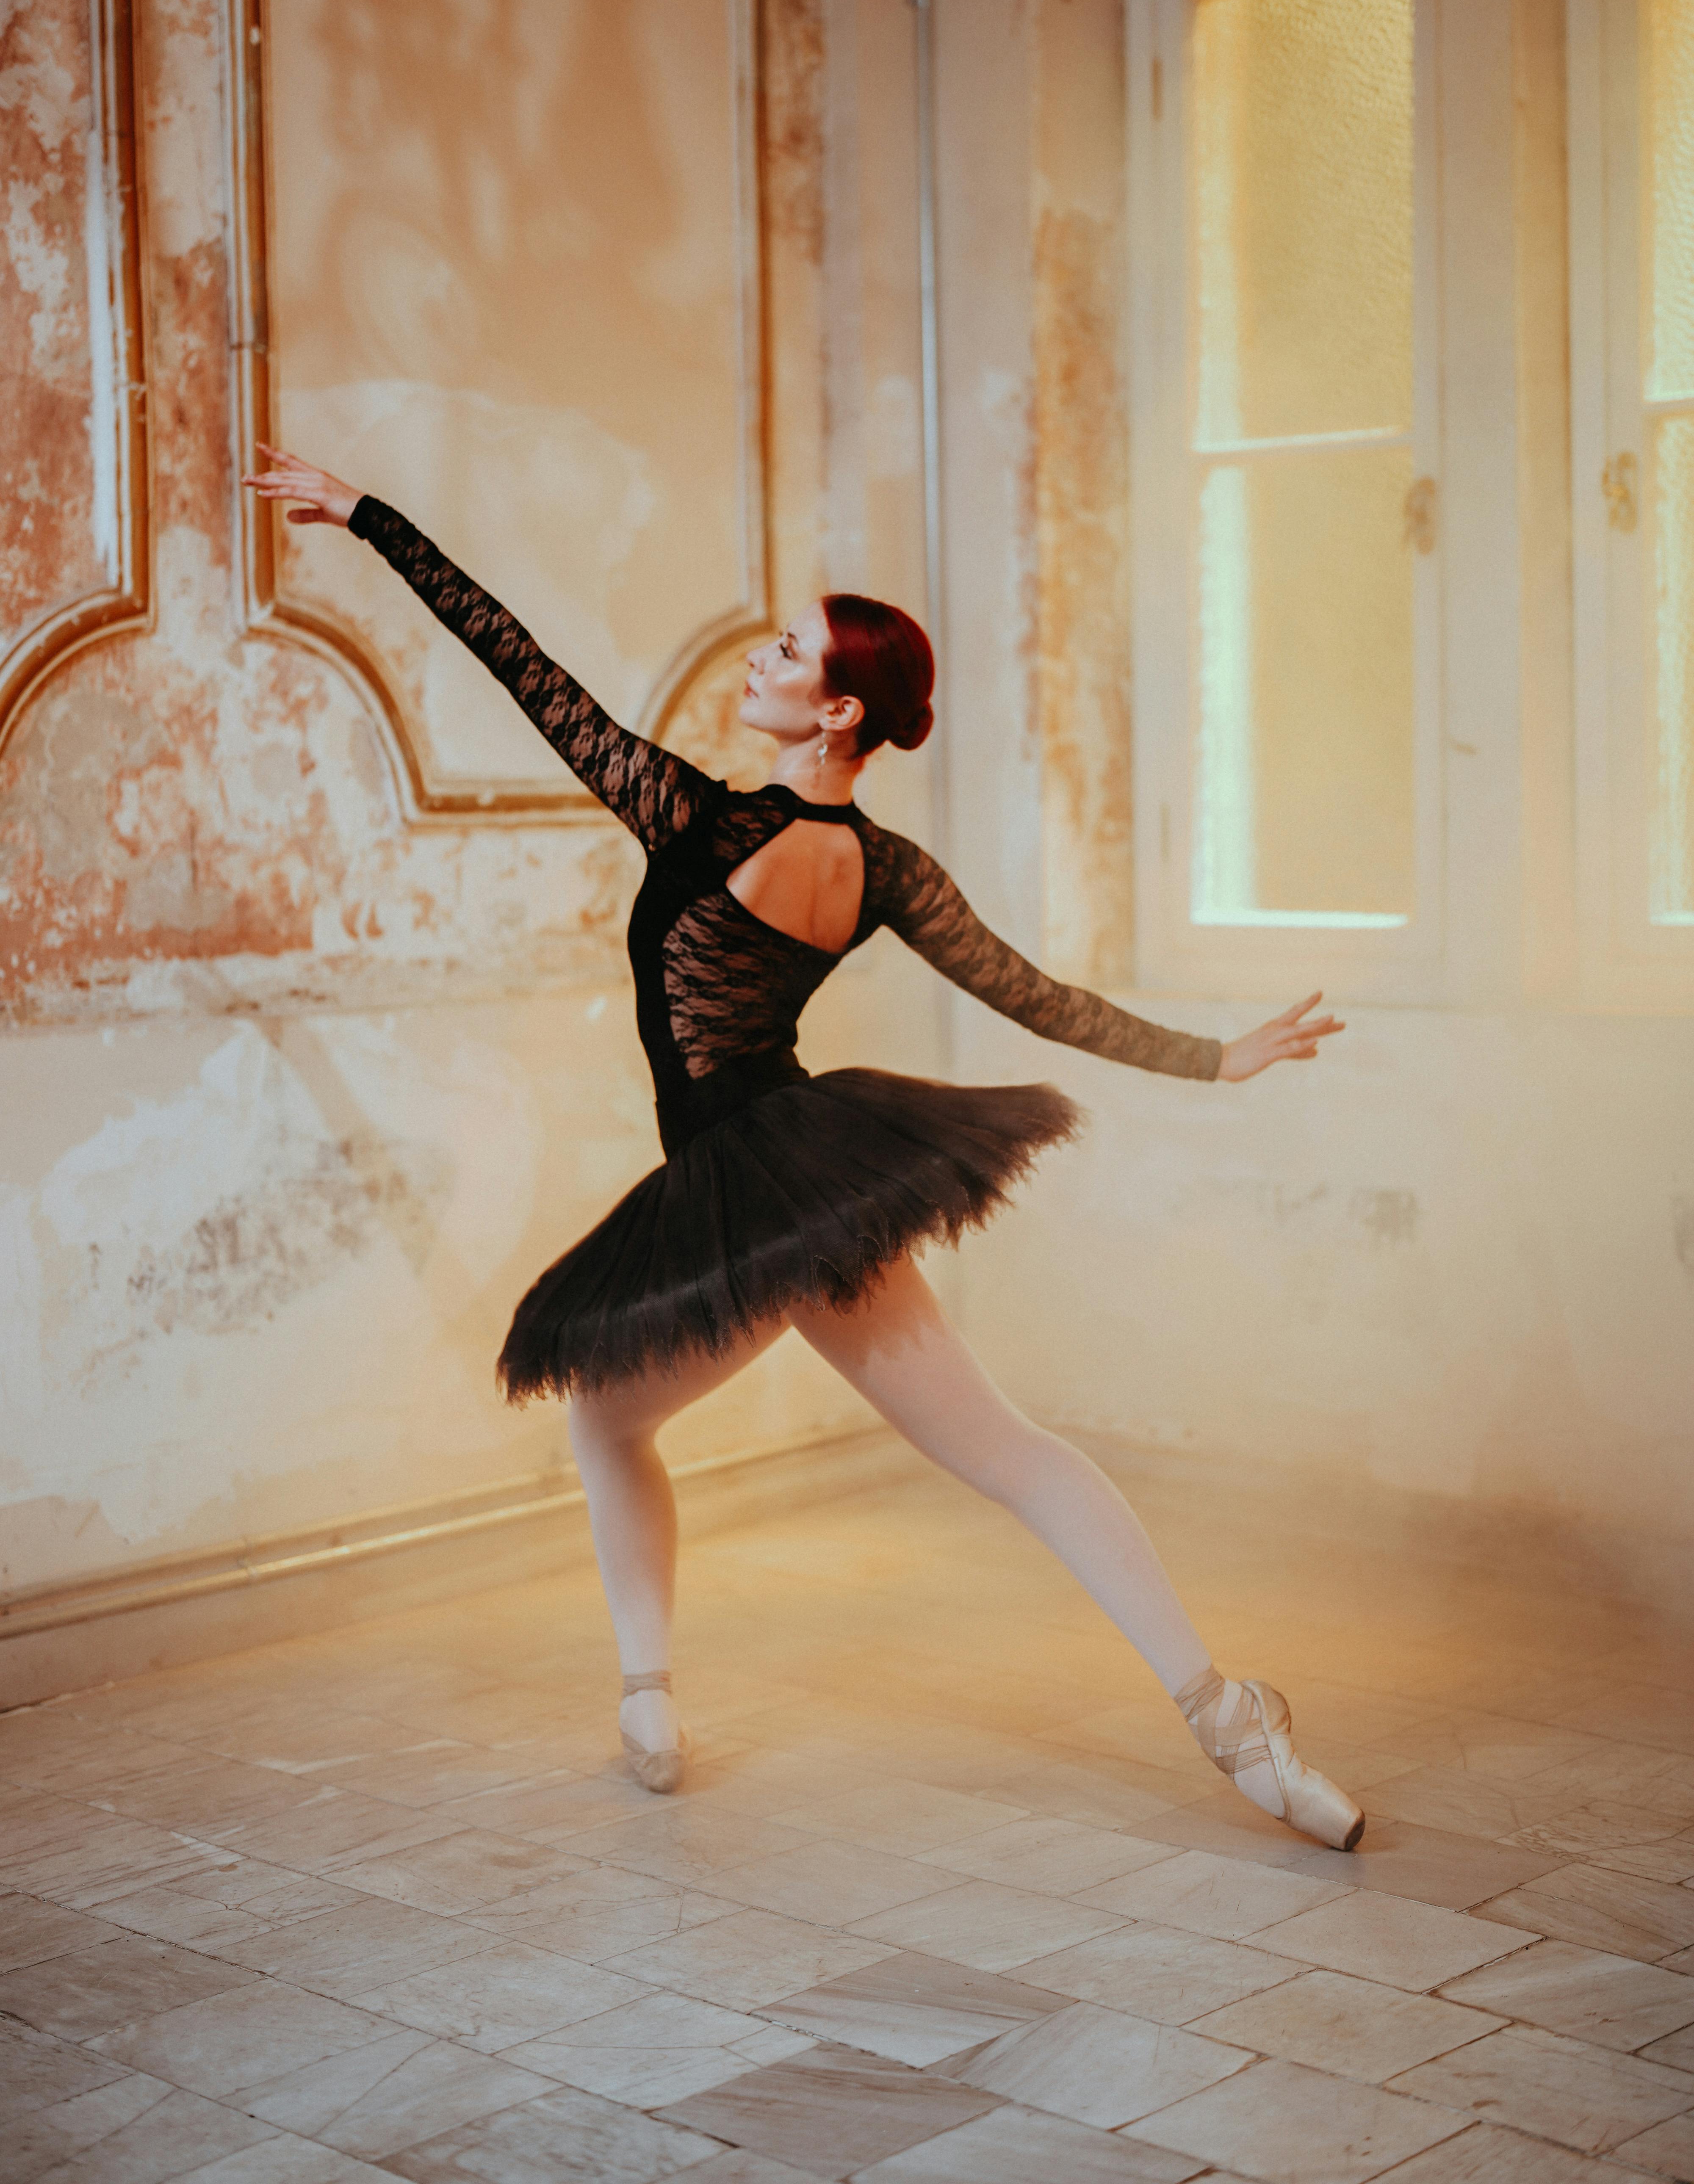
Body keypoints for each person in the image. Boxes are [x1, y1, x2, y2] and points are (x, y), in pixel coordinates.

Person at [246, 445, 1363, 1849]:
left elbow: (520, 666)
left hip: (746, 1180)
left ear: (835, 710)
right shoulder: (885, 871)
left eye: (789, 650)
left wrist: (366, 517)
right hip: (820, 1169)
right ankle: (1234, 1728)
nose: (760, 655)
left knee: (611, 1418)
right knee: (1006, 1451)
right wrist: (1213, 1059)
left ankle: (649, 1696)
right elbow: (1037, 995)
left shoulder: (696, 819)